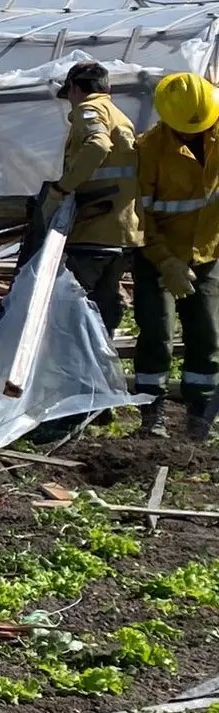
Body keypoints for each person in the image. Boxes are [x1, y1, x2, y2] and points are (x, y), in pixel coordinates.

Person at [130, 71, 219, 438]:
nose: (195, 134)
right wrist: (166, 261)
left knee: (209, 333)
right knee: (157, 331)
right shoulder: (148, 150)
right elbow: (140, 216)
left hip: (209, 251)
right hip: (158, 256)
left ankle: (201, 414)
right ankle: (153, 411)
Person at [43, 61, 142, 335]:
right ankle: (101, 360)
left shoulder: (90, 110)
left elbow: (98, 145)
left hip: (93, 228)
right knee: (105, 304)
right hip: (120, 231)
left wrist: (63, 188)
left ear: (74, 88)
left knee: (72, 304)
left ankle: (75, 365)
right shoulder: (119, 116)